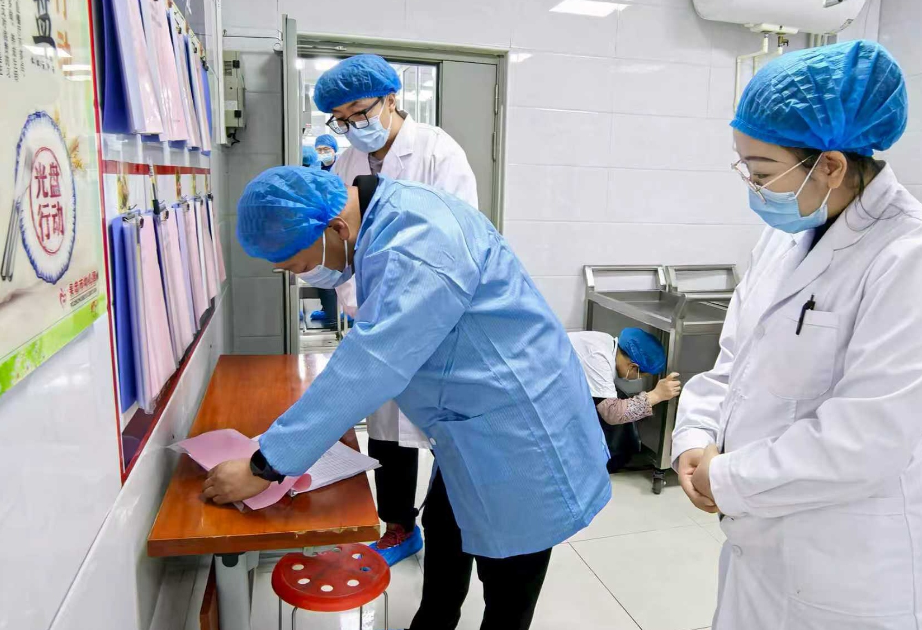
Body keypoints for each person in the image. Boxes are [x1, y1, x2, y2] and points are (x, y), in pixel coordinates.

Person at [207, 167, 611, 630]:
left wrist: (265, 465)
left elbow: (371, 363)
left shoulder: (416, 244)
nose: (305, 277)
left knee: (508, 581)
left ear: (336, 229)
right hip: (473, 425)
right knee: (444, 533)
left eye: (299, 267)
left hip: (520, 428)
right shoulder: (389, 215)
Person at [672, 40, 922, 630]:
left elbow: (868, 437)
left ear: (830, 166)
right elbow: (734, 360)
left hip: (845, 564)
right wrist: (694, 437)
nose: (752, 187)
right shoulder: (785, 236)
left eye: (762, 172)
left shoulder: (905, 258)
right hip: (758, 546)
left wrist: (727, 478)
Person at [312, 53, 479, 565]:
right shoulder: (346, 163)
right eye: (341, 120)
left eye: (359, 112)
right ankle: (400, 527)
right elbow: (342, 246)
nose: (352, 126)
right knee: (387, 430)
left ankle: (453, 528)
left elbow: (458, 244)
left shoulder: (438, 153)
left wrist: (407, 310)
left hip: (438, 321)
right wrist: (359, 304)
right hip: (375, 316)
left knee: (450, 433)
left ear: (391, 98)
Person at [569, 329, 681, 472]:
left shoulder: (605, 342)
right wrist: (656, 395)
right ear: (633, 367)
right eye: (641, 376)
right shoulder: (599, 358)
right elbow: (612, 413)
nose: (637, 379)